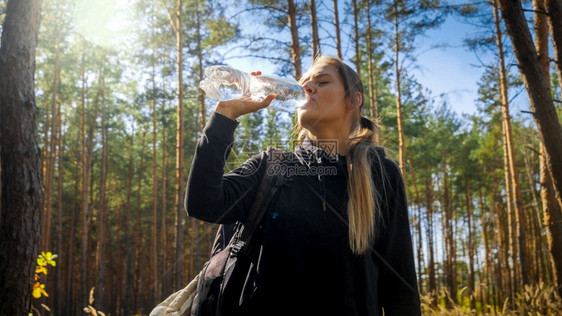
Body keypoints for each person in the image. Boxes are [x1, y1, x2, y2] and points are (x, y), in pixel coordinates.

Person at [185, 56, 421, 316]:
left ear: (353, 100)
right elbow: (202, 203)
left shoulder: (380, 174)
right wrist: (225, 115)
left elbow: (400, 286)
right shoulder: (271, 167)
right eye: (304, 84)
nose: (308, 88)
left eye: (322, 82)